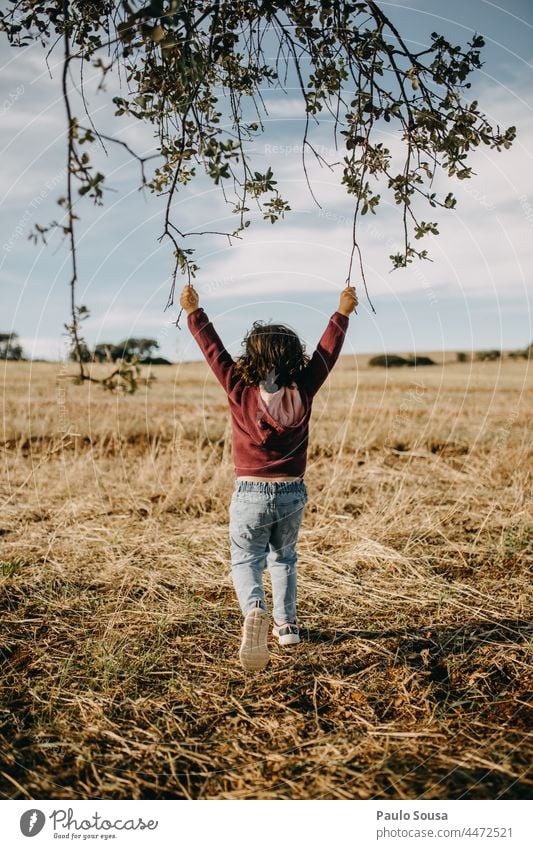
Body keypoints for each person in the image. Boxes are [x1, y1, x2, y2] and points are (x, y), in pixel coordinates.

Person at [180, 283, 358, 671]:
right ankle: (287, 625)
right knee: (285, 558)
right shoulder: (305, 389)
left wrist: (195, 313)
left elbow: (214, 353)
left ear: (253, 360)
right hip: (293, 492)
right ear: (294, 359)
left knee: (245, 560)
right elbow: (327, 354)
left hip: (250, 493)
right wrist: (341, 312)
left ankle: (255, 610)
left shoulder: (239, 390)